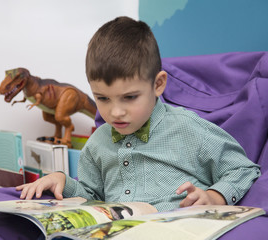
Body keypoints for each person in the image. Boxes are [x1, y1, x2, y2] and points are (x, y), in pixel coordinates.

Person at [16, 16, 261, 212]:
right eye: (102, 98)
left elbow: (243, 170)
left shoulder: (188, 129)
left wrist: (214, 197)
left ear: (158, 85)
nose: (115, 112)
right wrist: (63, 181)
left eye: (130, 97)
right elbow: (92, 197)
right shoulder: (96, 145)